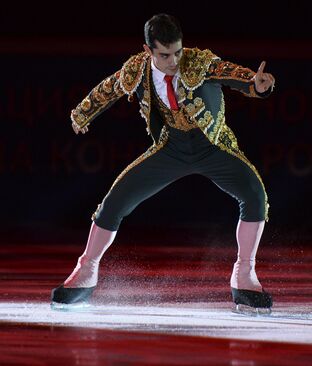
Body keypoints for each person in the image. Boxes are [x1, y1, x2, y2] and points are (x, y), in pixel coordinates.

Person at [51, 13, 275, 313]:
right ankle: (86, 269)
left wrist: (257, 85)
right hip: (171, 147)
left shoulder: (198, 62)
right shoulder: (137, 69)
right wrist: (83, 113)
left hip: (212, 146)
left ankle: (244, 274)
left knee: (255, 195)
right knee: (114, 201)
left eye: (178, 52)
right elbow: (110, 87)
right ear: (148, 50)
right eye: (165, 54)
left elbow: (229, 73)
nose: (174, 60)